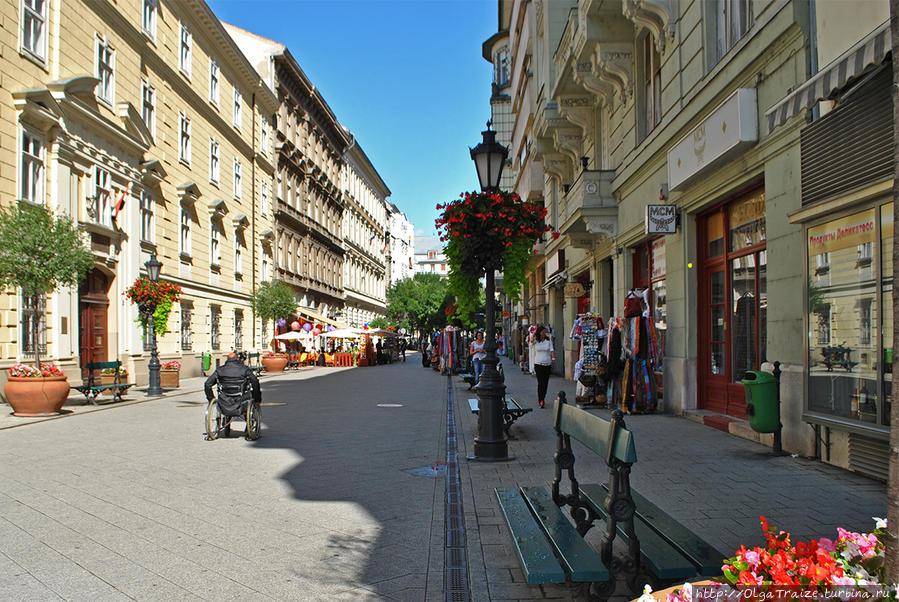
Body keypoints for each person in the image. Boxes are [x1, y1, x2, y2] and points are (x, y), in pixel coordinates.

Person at [204, 352, 261, 417]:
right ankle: (248, 420)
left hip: (225, 398)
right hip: (241, 397)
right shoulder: (244, 369)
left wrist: (211, 398)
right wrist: (257, 399)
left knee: (226, 398)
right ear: (237, 358)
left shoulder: (220, 370)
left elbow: (207, 384)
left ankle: (226, 424)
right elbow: (255, 381)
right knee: (249, 394)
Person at [533, 325, 555, 408]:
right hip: (538, 364)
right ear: (539, 332)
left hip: (547, 364)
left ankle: (543, 397)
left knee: (545, 383)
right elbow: (531, 340)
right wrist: (535, 333)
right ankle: (541, 400)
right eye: (542, 332)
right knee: (540, 383)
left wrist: (553, 358)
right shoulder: (536, 340)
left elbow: (552, 350)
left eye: (545, 332)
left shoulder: (548, 340)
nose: (544, 333)